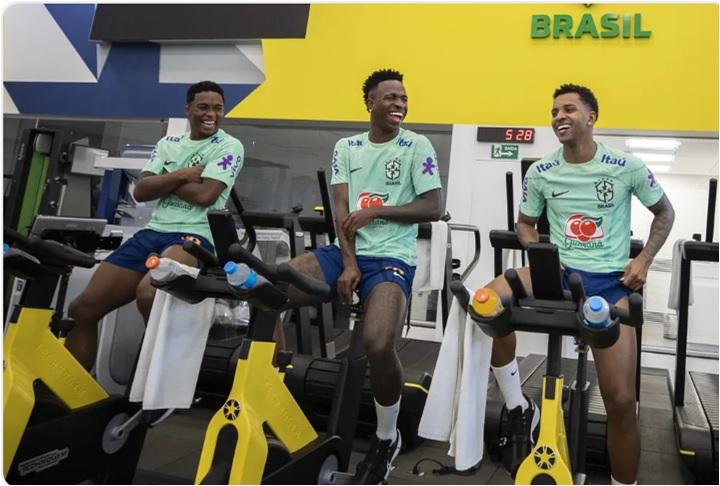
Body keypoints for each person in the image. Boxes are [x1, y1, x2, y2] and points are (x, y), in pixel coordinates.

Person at [486, 83, 675, 485]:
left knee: (622, 401)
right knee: (486, 301)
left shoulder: (626, 166)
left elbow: (664, 213)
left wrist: (643, 260)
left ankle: (625, 483)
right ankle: (519, 406)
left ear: (591, 118)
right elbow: (524, 222)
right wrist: (538, 252)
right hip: (556, 271)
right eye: (554, 111)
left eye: (568, 109)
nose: (558, 117)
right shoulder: (541, 171)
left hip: (609, 282)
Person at [278, 69, 442, 484]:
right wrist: (348, 263)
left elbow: (432, 207)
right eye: (389, 97)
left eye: (403, 97)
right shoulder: (346, 147)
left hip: (392, 257)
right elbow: (341, 212)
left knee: (377, 342)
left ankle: (387, 437)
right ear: (369, 103)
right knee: (272, 287)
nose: (399, 104)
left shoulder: (416, 146)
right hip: (347, 252)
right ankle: (274, 388)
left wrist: (377, 211)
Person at [66, 80, 245, 371]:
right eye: (203, 107)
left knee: (148, 292)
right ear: (188, 109)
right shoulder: (168, 144)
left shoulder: (228, 146)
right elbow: (141, 191)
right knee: (81, 310)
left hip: (194, 235)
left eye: (217, 108)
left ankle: (161, 377)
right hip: (153, 233)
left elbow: (205, 196)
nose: (211, 114)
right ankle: (71, 395)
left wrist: (164, 179)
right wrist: (184, 175)